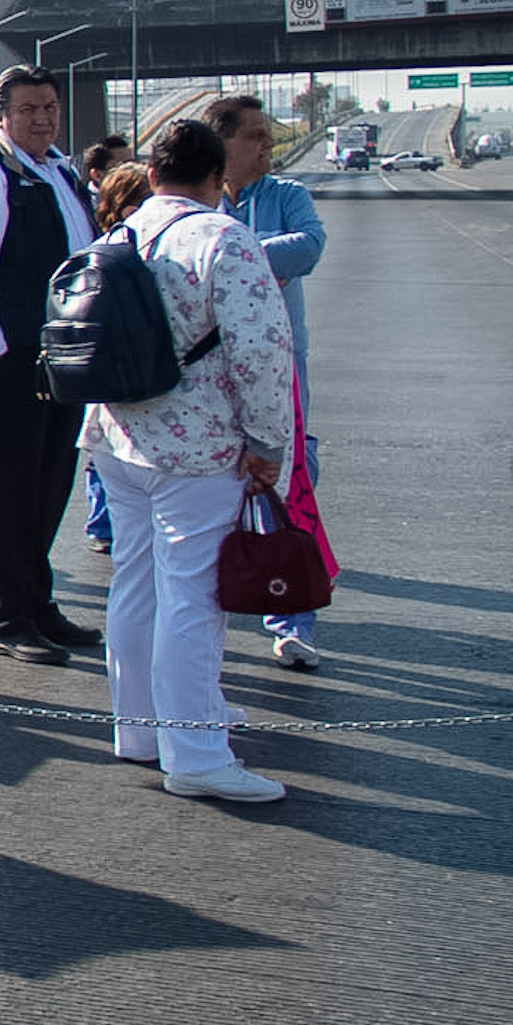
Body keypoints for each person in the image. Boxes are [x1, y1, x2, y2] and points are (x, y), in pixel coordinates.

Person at [87, 119, 297, 802]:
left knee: (136, 584)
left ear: (151, 175)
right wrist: (268, 443)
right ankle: (198, 754)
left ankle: (141, 730)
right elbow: (261, 351)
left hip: (118, 436)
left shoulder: (117, 237)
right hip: (198, 446)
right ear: (218, 180)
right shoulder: (224, 239)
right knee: (194, 598)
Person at [0, 65, 100, 666]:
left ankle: (38, 603)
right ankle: (8, 619)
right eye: (28, 109)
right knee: (9, 491)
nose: (42, 119)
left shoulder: (59, 170)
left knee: (50, 484)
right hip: (14, 359)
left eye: (50, 108)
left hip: (62, 360)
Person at [205, 92, 329, 670]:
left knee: (289, 484)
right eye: (254, 135)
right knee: (212, 497)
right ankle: (211, 622)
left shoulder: (286, 195)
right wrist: (254, 259)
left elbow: (308, 247)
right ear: (222, 142)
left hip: (280, 373)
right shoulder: (202, 201)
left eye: (267, 134)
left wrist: (234, 253)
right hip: (212, 377)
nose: (267, 144)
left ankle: (291, 620)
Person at [79, 163, 157, 556]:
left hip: (106, 392)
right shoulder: (125, 256)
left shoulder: (95, 251)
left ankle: (103, 524)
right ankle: (101, 523)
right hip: (132, 389)